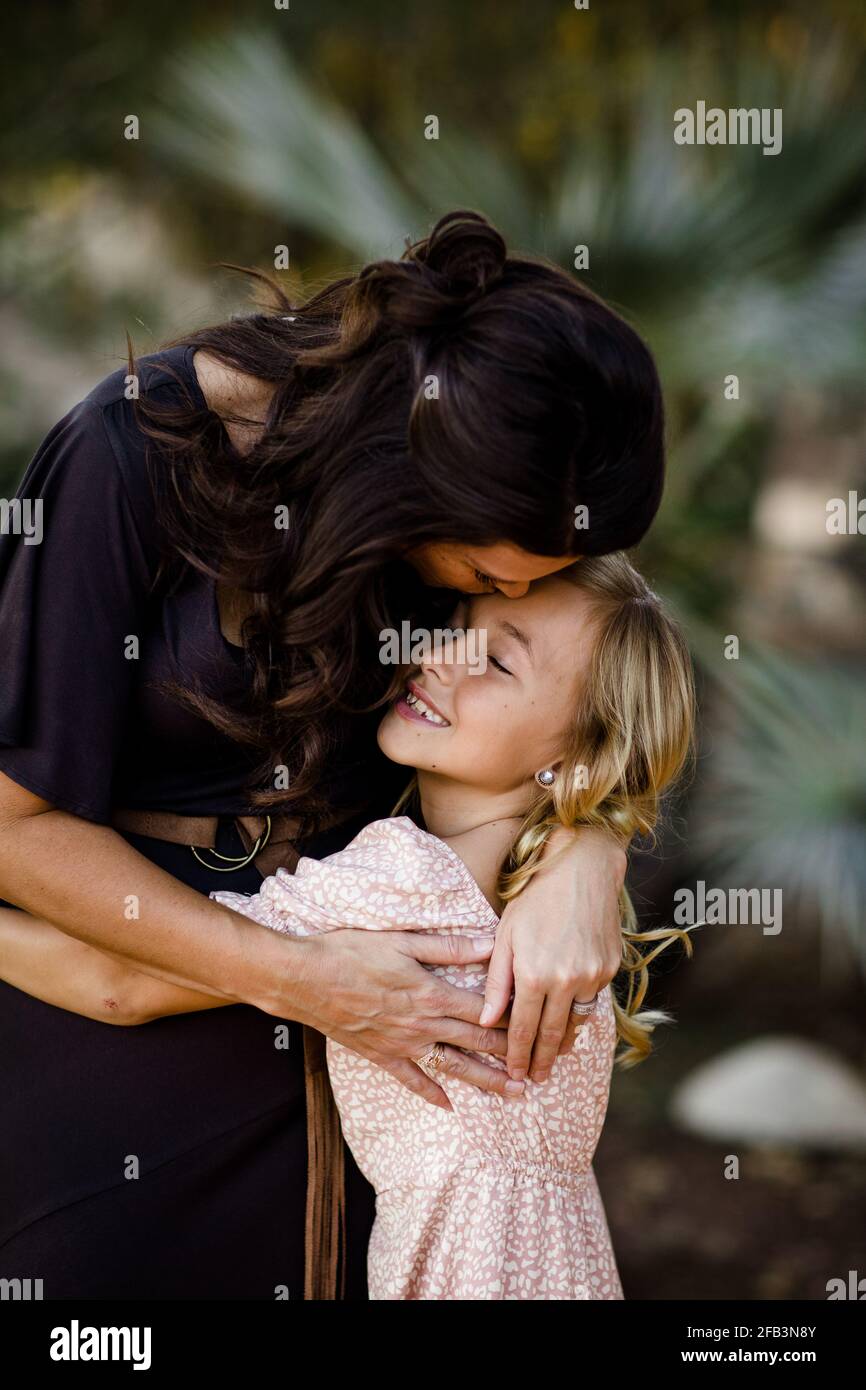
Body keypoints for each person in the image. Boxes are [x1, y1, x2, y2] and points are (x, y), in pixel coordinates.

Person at [0, 209, 665, 1299]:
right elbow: (13, 831)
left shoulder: (484, 521)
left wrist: (589, 848)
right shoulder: (130, 458)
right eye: (498, 576)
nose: (503, 599)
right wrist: (304, 979)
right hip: (135, 1043)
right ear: (428, 473)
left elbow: (596, 690)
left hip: (381, 1095)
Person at [0, 556, 697, 1299]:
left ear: (577, 759)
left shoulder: (403, 879)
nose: (431, 656)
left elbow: (120, 984)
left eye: (495, 661)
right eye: (454, 628)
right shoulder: (554, 909)